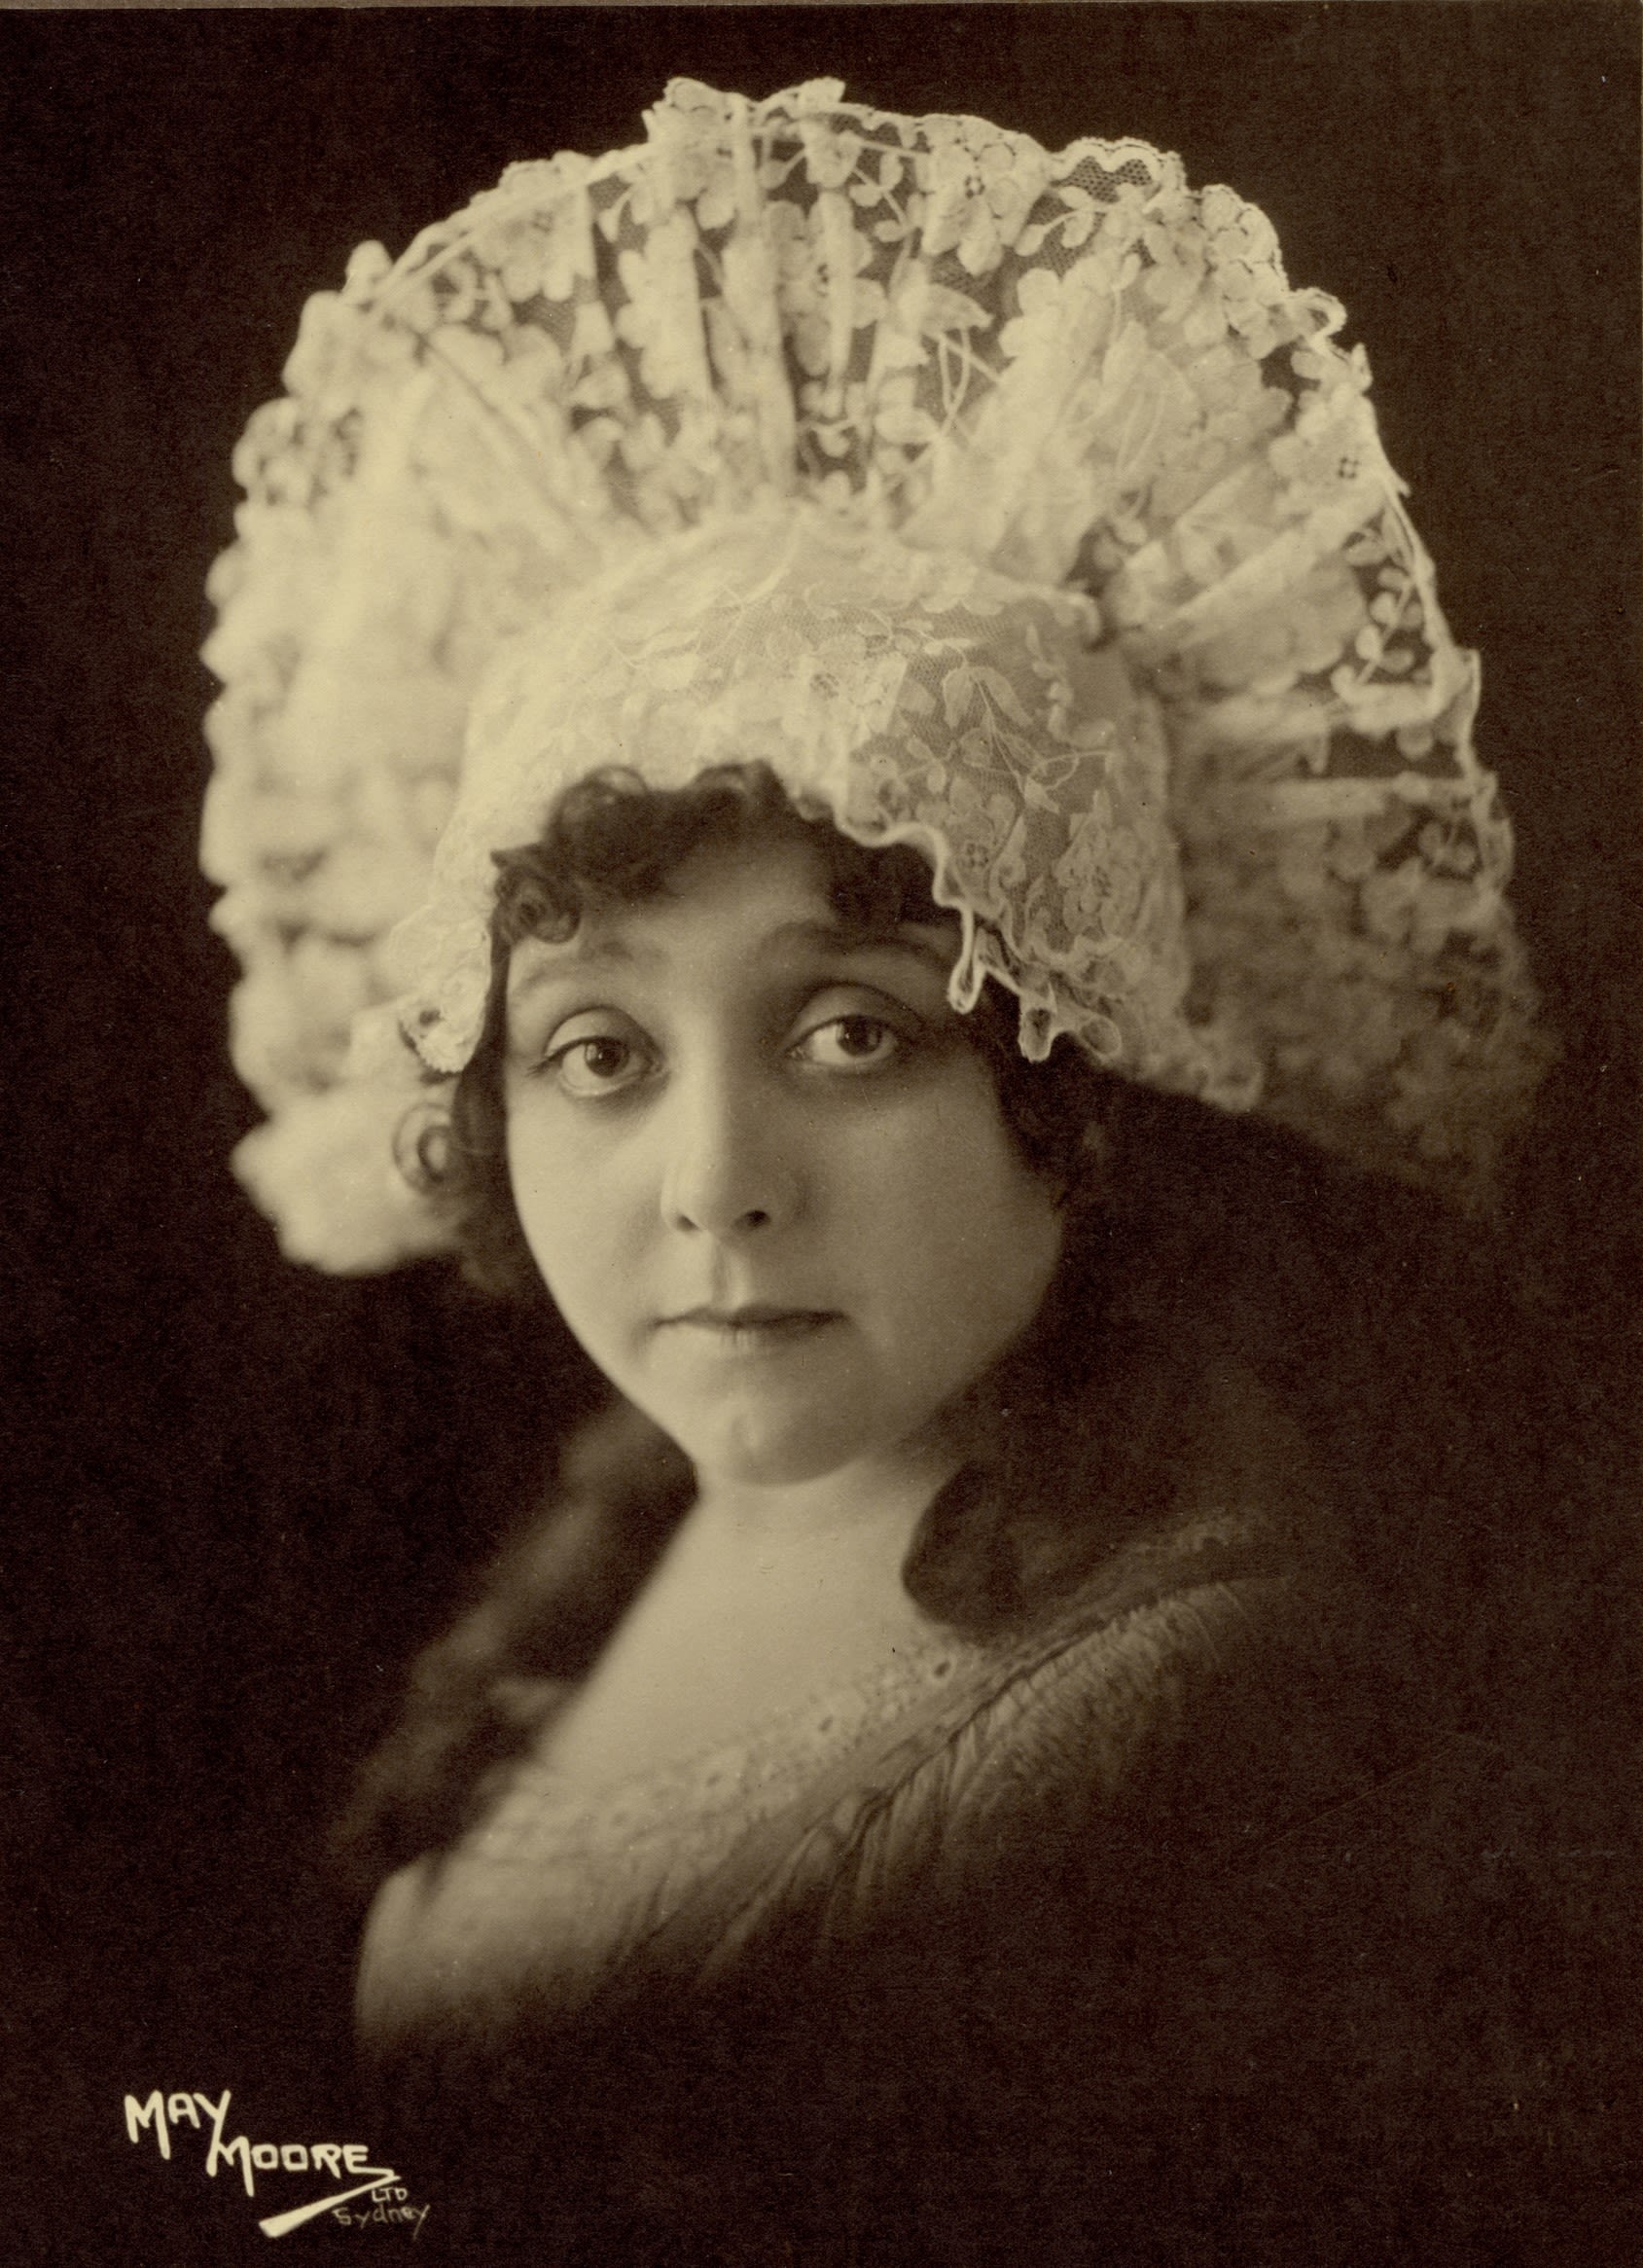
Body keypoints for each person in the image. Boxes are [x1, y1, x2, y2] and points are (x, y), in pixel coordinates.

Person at [203, 82, 1562, 2265]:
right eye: (597, 1050)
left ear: (1072, 1082)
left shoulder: (1159, 1724)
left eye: (854, 1030)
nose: (713, 1179)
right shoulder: (639, 1529)